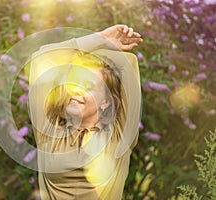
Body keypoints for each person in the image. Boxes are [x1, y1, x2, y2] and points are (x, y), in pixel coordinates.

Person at [26, 25, 143, 200]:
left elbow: (128, 63)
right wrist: (99, 39)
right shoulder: (49, 131)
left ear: (105, 102)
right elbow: (41, 59)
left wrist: (106, 49)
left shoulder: (119, 136)